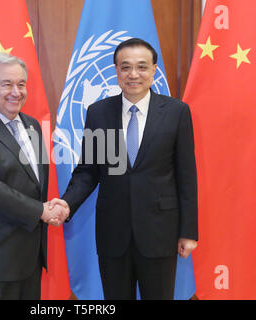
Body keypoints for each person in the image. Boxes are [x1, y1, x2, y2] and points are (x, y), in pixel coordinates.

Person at [50, 38, 198, 300]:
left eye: (142, 67)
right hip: (113, 234)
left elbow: (186, 176)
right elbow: (89, 170)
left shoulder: (176, 112)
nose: (133, 74)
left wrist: (188, 231)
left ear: (154, 70)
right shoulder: (98, 113)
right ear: (116, 71)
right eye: (125, 67)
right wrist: (67, 203)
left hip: (159, 232)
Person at [0, 52, 68, 300]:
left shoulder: (32, 126)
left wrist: (49, 206)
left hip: (28, 260)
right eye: (6, 84)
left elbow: (33, 182)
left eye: (21, 84)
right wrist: (42, 211)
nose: (16, 91)